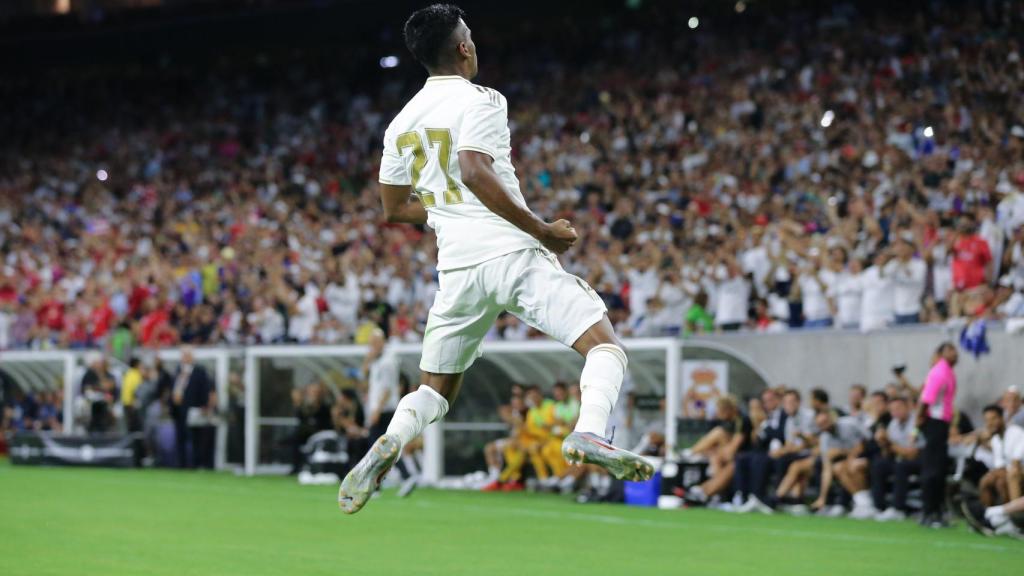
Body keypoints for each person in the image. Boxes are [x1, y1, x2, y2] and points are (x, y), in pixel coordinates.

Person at [338, 3, 653, 514]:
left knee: (435, 390)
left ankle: (392, 439)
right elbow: (474, 169)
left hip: (457, 269)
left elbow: (393, 208)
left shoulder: (399, 124)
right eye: (470, 35)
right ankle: (590, 432)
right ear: (463, 47)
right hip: (510, 252)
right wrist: (544, 231)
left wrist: (443, 211)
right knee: (605, 347)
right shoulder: (481, 99)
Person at [916, 341, 959, 527]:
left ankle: (935, 511)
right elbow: (927, 399)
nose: (955, 354)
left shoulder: (948, 372)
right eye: (950, 350)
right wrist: (919, 420)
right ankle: (929, 512)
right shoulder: (939, 371)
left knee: (938, 469)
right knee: (933, 469)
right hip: (935, 422)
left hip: (941, 423)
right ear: (941, 353)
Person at [171, 346, 217, 469]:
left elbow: (205, 389)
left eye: (186, 355)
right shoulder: (178, 371)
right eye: (182, 355)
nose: (184, 358)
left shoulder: (199, 371)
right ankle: (182, 464)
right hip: (179, 410)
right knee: (180, 438)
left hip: (194, 409)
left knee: (196, 438)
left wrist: (204, 405)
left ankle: (197, 464)